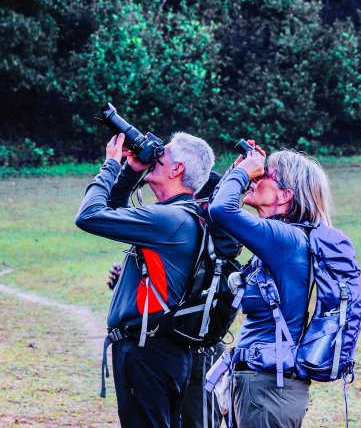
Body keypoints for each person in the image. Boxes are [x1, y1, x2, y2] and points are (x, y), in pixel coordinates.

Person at [76, 131, 215, 428]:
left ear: (177, 169)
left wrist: (111, 165)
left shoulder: (169, 219)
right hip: (162, 352)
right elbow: (113, 211)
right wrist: (131, 172)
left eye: (160, 154)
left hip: (148, 353)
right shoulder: (182, 215)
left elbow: (89, 216)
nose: (152, 156)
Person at [208, 143, 334, 428]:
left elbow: (221, 210)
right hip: (262, 386)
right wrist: (236, 170)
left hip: (267, 391)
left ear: (286, 195)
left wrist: (240, 172)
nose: (255, 178)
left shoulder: (283, 238)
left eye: (263, 175)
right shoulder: (282, 238)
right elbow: (215, 212)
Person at [106, 172, 241, 428]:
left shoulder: (215, 240)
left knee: (196, 423)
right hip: (172, 347)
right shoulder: (189, 231)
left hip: (200, 352)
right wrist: (128, 281)